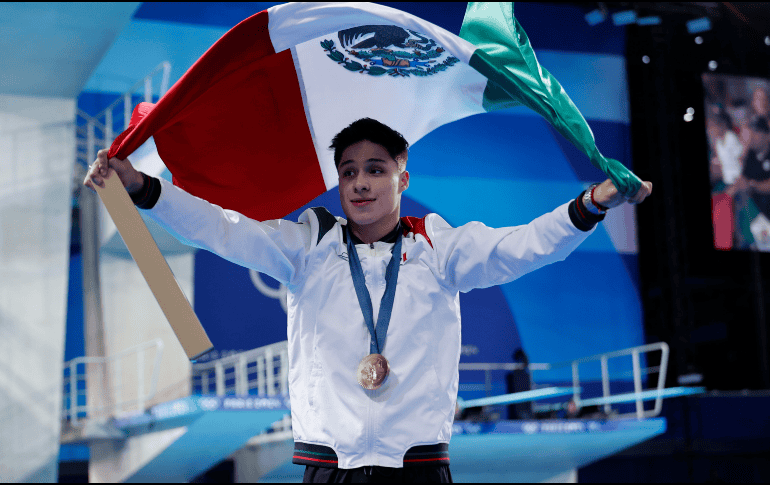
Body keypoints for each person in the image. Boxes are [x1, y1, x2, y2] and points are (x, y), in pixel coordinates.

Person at [85, 118, 652, 483]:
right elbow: (222, 229)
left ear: (403, 177)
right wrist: (143, 189)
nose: (359, 183)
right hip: (326, 469)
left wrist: (591, 203)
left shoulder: (439, 248)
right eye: (349, 171)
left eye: (376, 170)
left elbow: (524, 247)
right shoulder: (305, 248)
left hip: (419, 469)